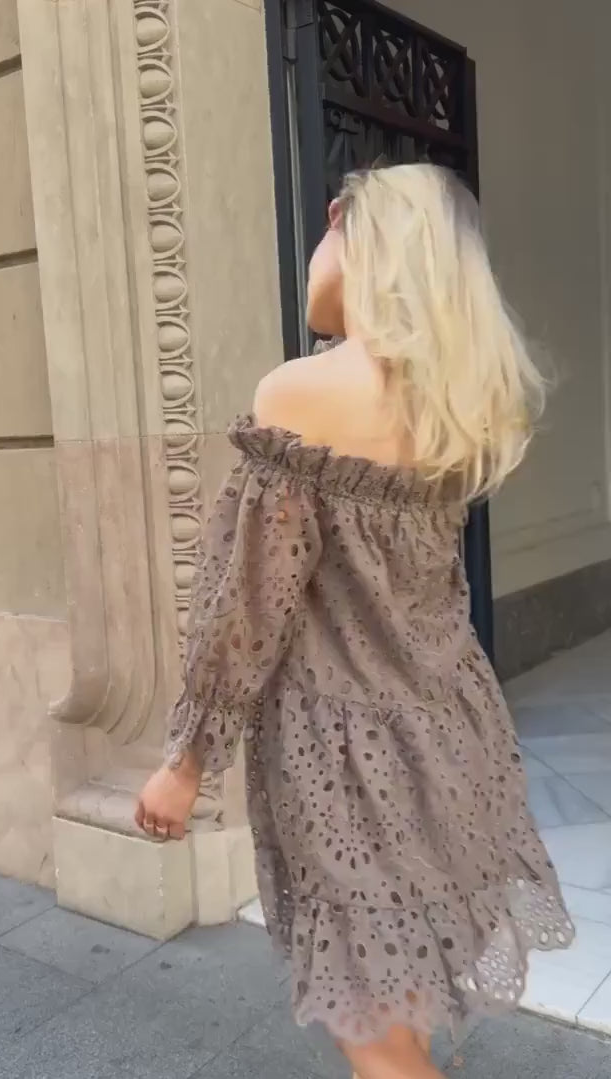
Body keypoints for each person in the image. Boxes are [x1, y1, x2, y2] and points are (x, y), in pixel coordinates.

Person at [137, 163, 574, 1079]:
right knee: (398, 998)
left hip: (338, 758)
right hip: (450, 733)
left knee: (376, 1038)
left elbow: (247, 609)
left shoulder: (301, 392)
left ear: (345, 223)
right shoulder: (463, 407)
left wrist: (186, 762)